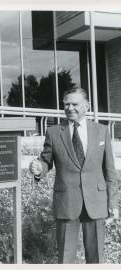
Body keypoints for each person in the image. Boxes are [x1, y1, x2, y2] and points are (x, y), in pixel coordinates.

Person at [29, 87, 119, 263]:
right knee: (65, 257)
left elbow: (110, 171)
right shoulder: (54, 132)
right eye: (66, 104)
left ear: (86, 106)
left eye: (75, 104)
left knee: (96, 258)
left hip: (96, 201)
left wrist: (113, 202)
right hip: (67, 201)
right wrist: (39, 168)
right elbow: (46, 161)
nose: (69, 108)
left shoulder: (102, 131)